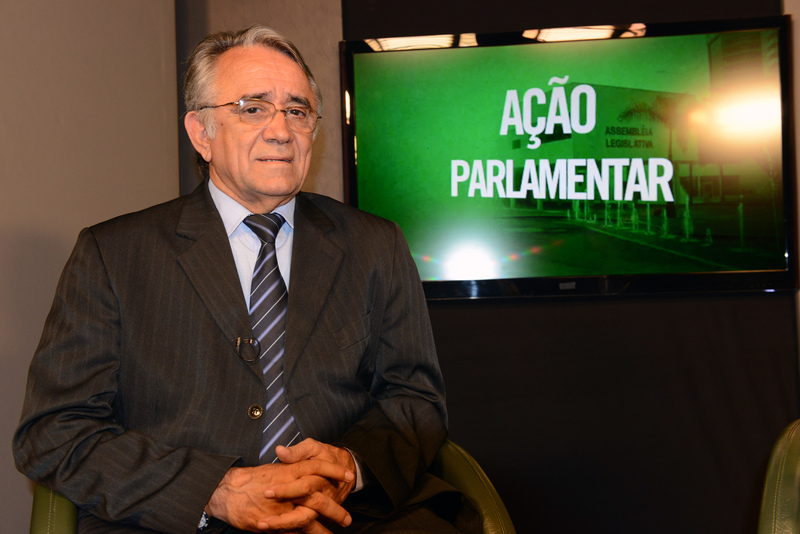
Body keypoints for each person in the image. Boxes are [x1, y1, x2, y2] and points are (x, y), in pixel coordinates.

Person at [13, 26, 477, 533]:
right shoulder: (113, 255)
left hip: (349, 514)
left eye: (297, 111)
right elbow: (55, 431)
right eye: (253, 108)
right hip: (185, 519)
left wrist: (346, 468)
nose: (281, 131)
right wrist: (215, 490)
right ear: (201, 133)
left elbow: (415, 401)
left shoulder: (375, 245)